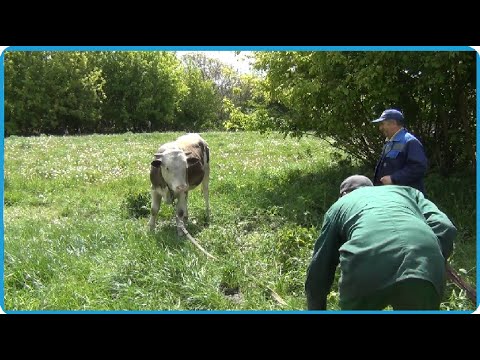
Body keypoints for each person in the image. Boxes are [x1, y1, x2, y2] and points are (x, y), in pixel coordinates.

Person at [305, 175, 457, 311]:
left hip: (366, 264)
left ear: (343, 194)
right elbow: (444, 227)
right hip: (423, 260)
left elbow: (320, 268)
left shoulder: (339, 206)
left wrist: (316, 307)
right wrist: (433, 257)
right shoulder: (407, 192)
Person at [372, 109, 428, 195]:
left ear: (393, 123)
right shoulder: (390, 142)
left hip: (406, 196)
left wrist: (394, 178)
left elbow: (418, 167)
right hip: (391, 194)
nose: (380, 128)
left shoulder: (410, 141)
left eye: (382, 124)